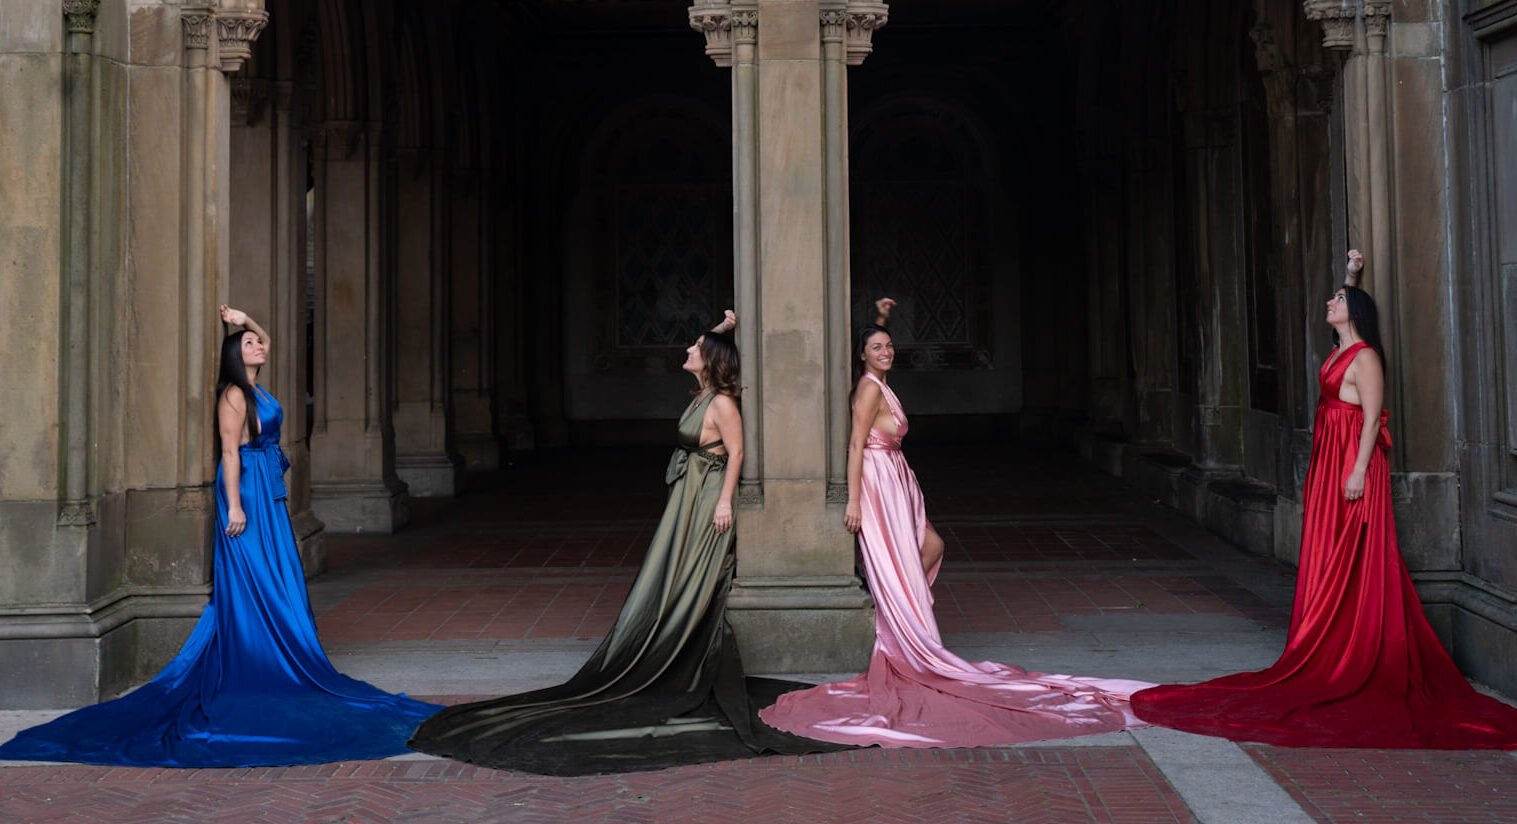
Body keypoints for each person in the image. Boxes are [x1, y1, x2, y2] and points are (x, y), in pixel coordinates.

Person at [0, 306, 440, 767]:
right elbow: (230, 452)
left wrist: (247, 319)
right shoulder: (232, 395)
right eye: (249, 344)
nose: (259, 346)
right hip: (246, 487)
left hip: (267, 488)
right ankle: (259, 656)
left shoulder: (256, 386)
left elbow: (268, 340)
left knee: (280, 572)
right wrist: (233, 504)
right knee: (255, 577)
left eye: (258, 343)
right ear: (236, 356)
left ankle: (287, 648)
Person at [409, 310, 844, 775]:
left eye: (694, 350)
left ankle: (679, 654)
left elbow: (737, 451)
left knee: (691, 578)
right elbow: (709, 353)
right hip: (688, 493)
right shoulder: (705, 394)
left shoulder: (722, 405)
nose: (687, 351)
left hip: (704, 499)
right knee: (665, 570)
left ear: (708, 362)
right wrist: (721, 331)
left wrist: (722, 502)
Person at [1130, 251, 1517, 748]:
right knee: (1332, 551)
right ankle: (1329, 640)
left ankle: (1352, 648)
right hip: (1331, 461)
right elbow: (1348, 319)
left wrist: (1357, 470)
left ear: (1353, 311)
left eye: (1338, 299)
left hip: (1353, 465)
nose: (1330, 301)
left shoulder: (1366, 358)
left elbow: (1374, 418)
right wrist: (1352, 276)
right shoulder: (1340, 350)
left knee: (1356, 553)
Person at [759, 298, 1151, 748]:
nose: (886, 351)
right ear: (862, 355)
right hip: (877, 481)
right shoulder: (868, 389)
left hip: (897, 477)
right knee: (909, 554)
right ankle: (904, 632)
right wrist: (853, 501)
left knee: (932, 546)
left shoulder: (881, 380)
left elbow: (874, 352)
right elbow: (854, 445)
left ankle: (909, 621)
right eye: (877, 347)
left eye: (889, 345)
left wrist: (881, 319)